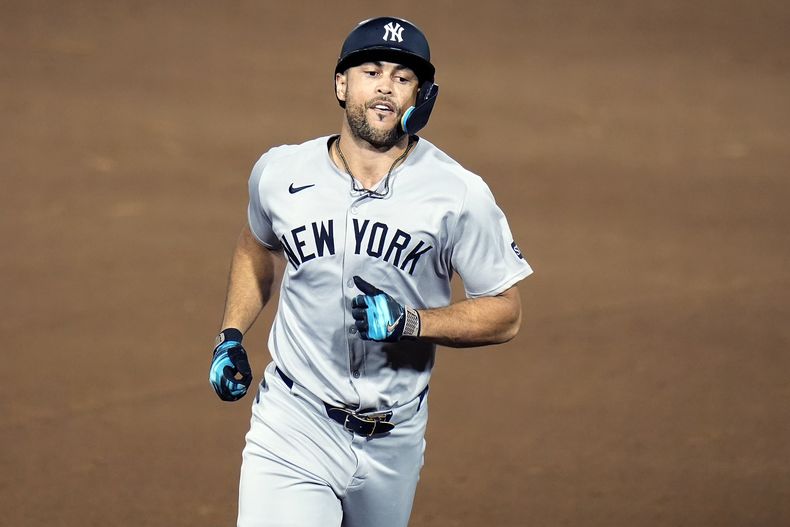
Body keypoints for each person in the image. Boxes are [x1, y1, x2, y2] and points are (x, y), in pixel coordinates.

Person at [209, 16, 533, 527]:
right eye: (372, 71)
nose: (386, 87)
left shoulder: (459, 194)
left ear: (421, 98)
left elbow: (505, 314)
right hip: (296, 421)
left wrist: (412, 323)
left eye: (404, 79)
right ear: (341, 84)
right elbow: (257, 241)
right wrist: (230, 335)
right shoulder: (281, 172)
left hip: (395, 438)